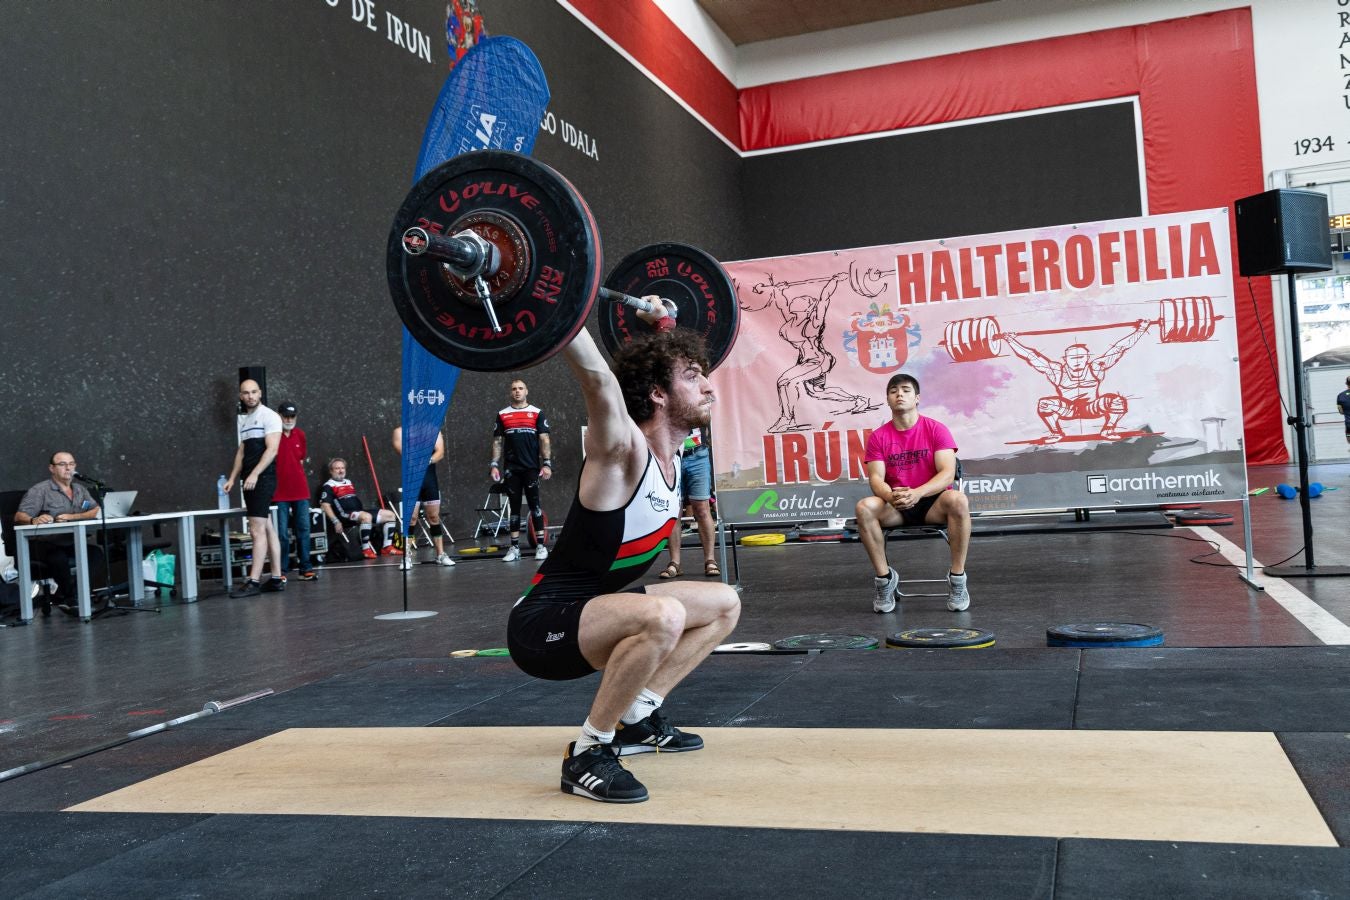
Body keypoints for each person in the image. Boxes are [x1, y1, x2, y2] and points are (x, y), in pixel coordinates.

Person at [506, 311, 741, 805]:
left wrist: (662, 327)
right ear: (658, 394)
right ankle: (589, 753)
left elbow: (648, 369)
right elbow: (599, 379)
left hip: (596, 612)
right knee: (665, 615)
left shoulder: (673, 460)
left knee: (724, 603)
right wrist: (559, 303)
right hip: (542, 627)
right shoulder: (621, 450)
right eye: (693, 377)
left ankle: (637, 716)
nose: (708, 387)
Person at [854, 373, 971, 614]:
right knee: (864, 507)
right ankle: (884, 579)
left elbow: (948, 474)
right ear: (887, 399)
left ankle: (957, 578)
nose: (899, 394)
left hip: (932, 504)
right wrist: (891, 497)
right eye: (894, 391)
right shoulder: (879, 437)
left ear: (917, 398)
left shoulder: (936, 429)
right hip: (896, 505)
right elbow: (876, 478)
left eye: (906, 390)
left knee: (958, 500)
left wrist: (917, 493)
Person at [1000, 321, 1150, 442]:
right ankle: (1056, 432)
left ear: (1087, 358)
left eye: (1081, 358)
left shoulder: (1096, 368)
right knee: (1044, 404)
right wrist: (1010, 340)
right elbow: (1031, 356)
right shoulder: (1057, 371)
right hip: (1068, 408)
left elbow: (1119, 348)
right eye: (1073, 358)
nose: (1077, 361)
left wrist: (1141, 329)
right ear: (1065, 360)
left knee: (1117, 401)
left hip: (1092, 407)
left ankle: (1108, 429)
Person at [13, 451, 105, 605]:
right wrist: (33, 519)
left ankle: (74, 592)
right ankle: (70, 597)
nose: (68, 468)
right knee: (58, 558)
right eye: (62, 464)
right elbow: (19, 516)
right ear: (52, 468)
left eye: (71, 464)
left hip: (69, 542)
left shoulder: (79, 490)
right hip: (43, 544)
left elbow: (94, 510)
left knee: (95, 553)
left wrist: (73, 517)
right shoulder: (40, 490)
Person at [223, 380, 285, 597]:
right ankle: (276, 579)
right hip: (250, 479)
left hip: (262, 479)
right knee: (267, 528)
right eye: (246, 393)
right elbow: (242, 452)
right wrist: (232, 478)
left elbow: (272, 449)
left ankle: (254, 581)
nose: (250, 396)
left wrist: (256, 474)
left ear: (260, 393)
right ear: (240, 396)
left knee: (256, 530)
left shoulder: (269, 416)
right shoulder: (246, 420)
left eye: (254, 392)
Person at [491, 378, 552, 563]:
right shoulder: (502, 415)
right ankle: (514, 547)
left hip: (531, 468)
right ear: (511, 392)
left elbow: (544, 439)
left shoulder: (537, 413)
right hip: (511, 469)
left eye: (520, 388)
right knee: (514, 507)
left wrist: (547, 463)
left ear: (527, 391)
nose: (517, 391)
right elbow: (497, 442)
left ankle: (541, 546)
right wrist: (493, 464)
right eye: (514, 389)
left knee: (535, 505)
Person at [658, 428, 719, 579]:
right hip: (670, 455)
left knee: (702, 509)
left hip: (697, 454)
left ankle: (710, 560)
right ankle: (674, 563)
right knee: (674, 511)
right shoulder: (662, 402)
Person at [392, 426, 454, 567]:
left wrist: (426, 460)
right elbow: (403, 452)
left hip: (430, 480)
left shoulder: (433, 430)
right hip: (412, 481)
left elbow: (440, 452)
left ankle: (440, 555)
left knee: (433, 517)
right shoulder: (400, 431)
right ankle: (406, 557)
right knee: (411, 518)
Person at [319, 458, 402, 560]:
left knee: (390, 515)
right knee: (366, 517)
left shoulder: (348, 482)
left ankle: (387, 547)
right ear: (331, 471)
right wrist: (336, 521)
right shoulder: (328, 486)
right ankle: (366, 549)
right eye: (337, 468)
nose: (341, 470)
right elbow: (325, 505)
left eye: (342, 468)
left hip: (359, 512)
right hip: (344, 515)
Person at [272, 401, 317, 581]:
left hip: (300, 491)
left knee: (303, 530)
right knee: (281, 533)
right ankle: (281, 570)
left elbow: (300, 459)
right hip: (279, 492)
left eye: (292, 416)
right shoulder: (273, 435)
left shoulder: (300, 435)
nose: (289, 419)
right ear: (279, 416)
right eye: (286, 416)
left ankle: (305, 567)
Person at [1337, 376, 1350, 448]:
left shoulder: (1340, 396)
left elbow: (1341, 411)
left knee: (1349, 437)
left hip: (1349, 425)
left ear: (1346, 384)